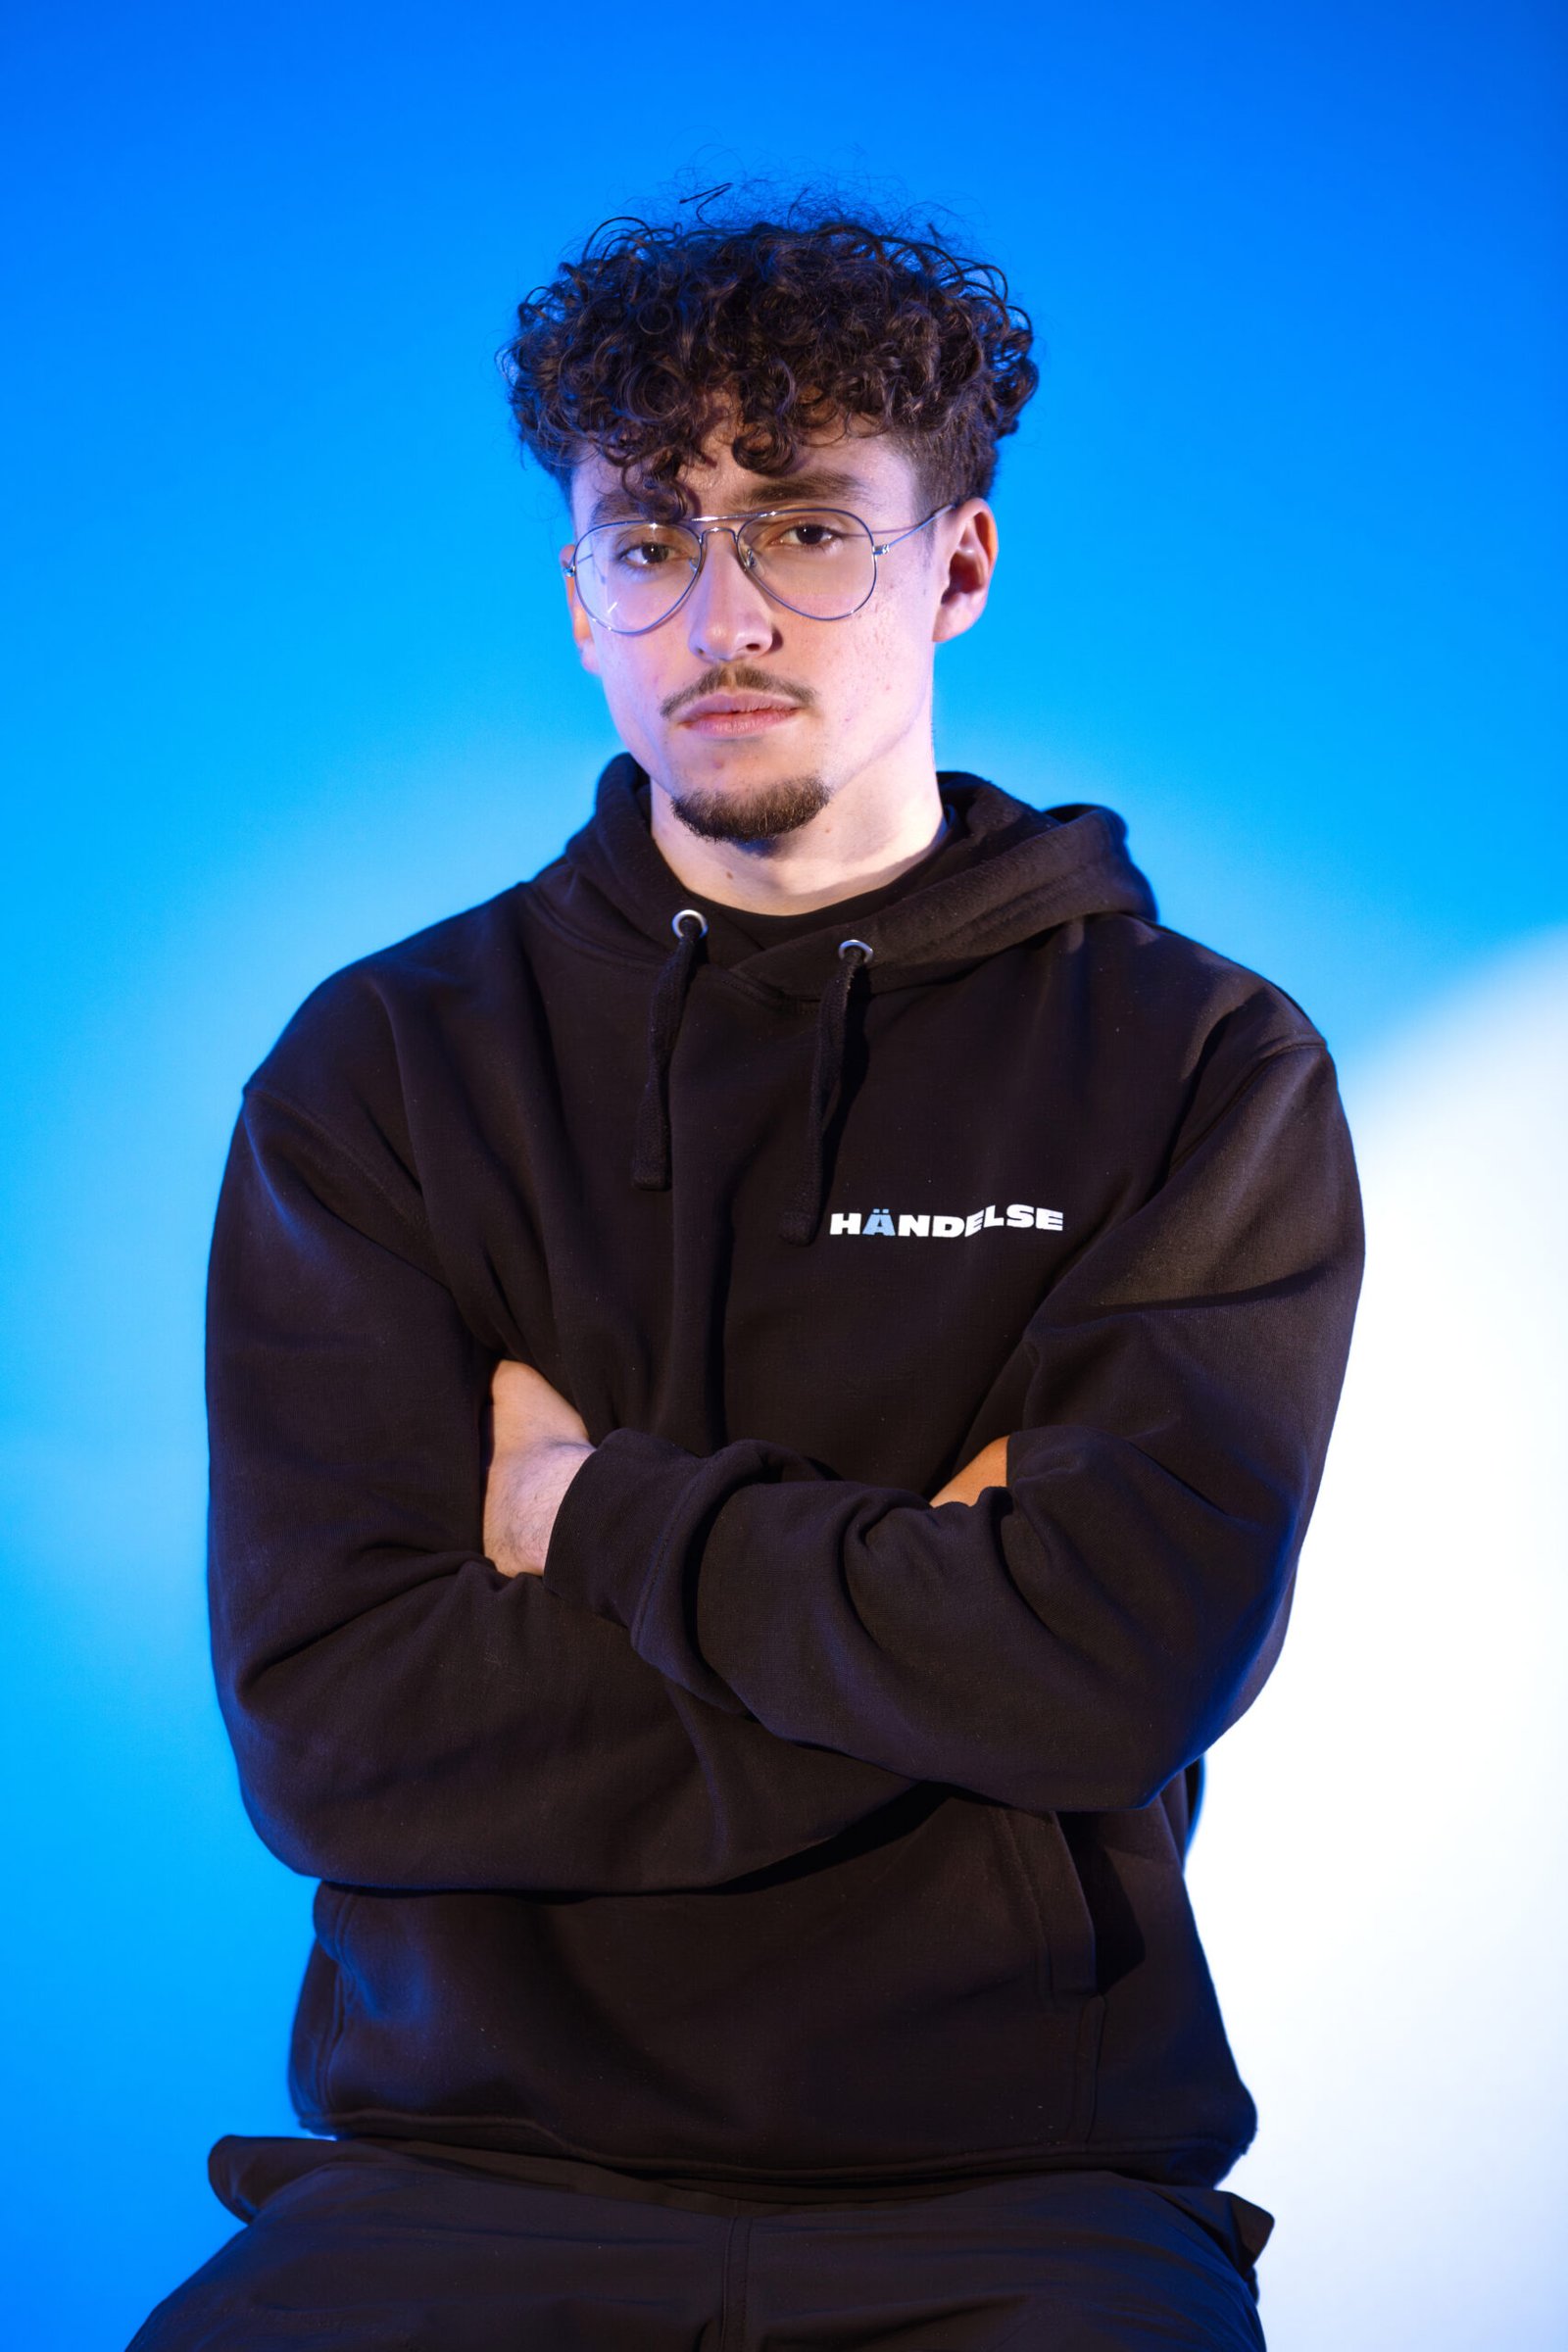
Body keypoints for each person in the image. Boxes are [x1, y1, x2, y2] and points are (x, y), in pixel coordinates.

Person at [130, 194, 1363, 2349]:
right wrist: (937, 1629)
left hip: (1019, 2194)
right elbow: (333, 1734)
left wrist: (593, 1517)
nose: (721, 614)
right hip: (460, 2177)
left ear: (955, 567)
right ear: (577, 598)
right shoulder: (386, 1068)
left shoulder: (1195, 1064)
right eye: (646, 540)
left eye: (803, 529)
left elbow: (1111, 1663)